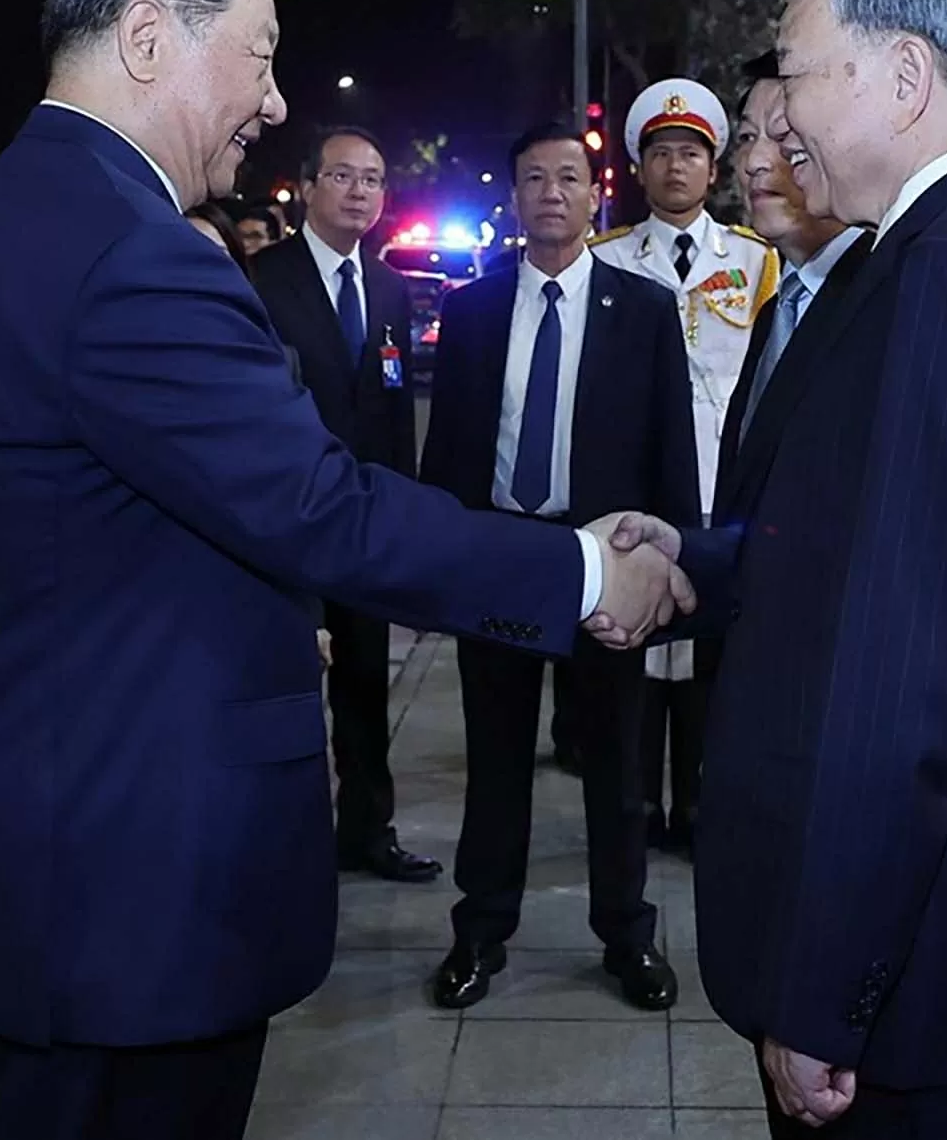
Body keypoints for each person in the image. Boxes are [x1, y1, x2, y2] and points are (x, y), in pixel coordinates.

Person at [0, 0, 688, 1140]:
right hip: (128, 888)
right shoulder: (131, 253)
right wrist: (583, 569)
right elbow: (322, 506)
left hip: (37, 849)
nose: (272, 101)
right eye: (257, 55)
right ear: (149, 36)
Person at [627, 0, 947, 1138]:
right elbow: (864, 545)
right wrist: (689, 558)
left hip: (927, 978)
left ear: (903, 78)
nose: (777, 122)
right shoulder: (945, 252)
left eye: (793, 75)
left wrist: (824, 990)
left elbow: (913, 676)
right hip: (937, 945)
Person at [420, 120, 698, 1012]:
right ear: (515, 196)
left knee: (618, 761)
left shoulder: (644, 309)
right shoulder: (469, 312)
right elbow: (450, 451)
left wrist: (672, 561)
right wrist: (438, 562)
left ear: (594, 194)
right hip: (503, 556)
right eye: (533, 177)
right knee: (496, 757)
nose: (550, 193)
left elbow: (671, 447)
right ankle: (479, 931)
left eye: (567, 178)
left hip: (604, 557)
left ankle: (626, 935)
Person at [593, 77, 776, 858]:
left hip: (722, 484)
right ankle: (632, 804)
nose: (676, 167)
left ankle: (697, 802)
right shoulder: (608, 261)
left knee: (705, 651)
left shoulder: (755, 261)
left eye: (691, 153)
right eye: (661, 153)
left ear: (715, 170)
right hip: (641, 484)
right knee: (637, 652)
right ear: (640, 167)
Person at [251, 126, 439, 884]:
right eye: (343, 177)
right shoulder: (263, 280)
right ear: (307, 187)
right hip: (288, 519)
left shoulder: (391, 288)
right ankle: (285, 839)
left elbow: (393, 416)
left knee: (365, 685)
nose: (360, 191)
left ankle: (369, 829)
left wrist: (401, 516)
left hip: (362, 524)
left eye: (372, 179)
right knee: (289, 686)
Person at [714, 52, 870, 521]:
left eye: (783, 137)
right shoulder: (777, 310)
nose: (755, 163)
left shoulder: (882, 297)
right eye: (746, 138)